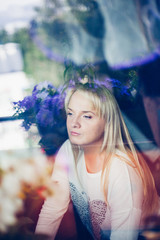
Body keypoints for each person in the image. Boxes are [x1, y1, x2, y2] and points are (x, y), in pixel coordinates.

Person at [35, 77, 159, 240]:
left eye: (87, 116)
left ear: (107, 122)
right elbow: (53, 207)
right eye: (71, 113)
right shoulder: (67, 150)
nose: (74, 123)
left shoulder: (121, 170)